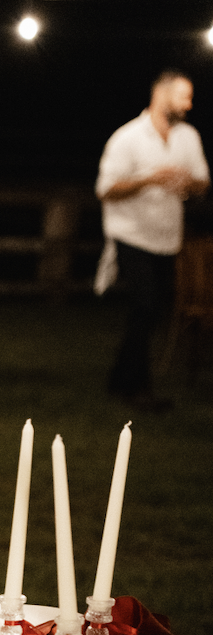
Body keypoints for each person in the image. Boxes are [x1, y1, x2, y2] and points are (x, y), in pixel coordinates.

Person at [95, 70, 209, 402]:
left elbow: (203, 181)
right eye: (183, 96)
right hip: (131, 235)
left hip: (167, 238)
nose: (189, 104)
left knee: (150, 311)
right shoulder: (127, 138)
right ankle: (139, 388)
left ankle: (120, 380)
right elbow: (105, 189)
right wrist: (149, 180)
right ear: (161, 95)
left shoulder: (188, 137)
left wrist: (188, 183)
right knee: (145, 306)